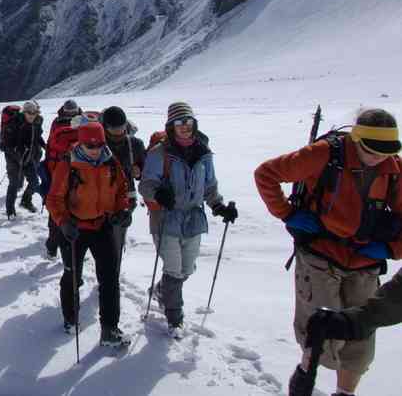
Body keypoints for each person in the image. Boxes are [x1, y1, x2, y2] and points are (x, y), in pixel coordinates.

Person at [256, 108, 402, 396]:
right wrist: (286, 213)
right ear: (356, 139)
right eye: (371, 150)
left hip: (365, 262)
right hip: (320, 254)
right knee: (321, 331)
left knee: (361, 337)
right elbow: (266, 174)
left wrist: (392, 248)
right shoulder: (324, 154)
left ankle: (345, 393)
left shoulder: (394, 170)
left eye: (386, 152)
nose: (379, 158)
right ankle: (305, 375)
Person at [139, 102, 237, 339]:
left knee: (187, 268)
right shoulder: (159, 153)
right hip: (166, 218)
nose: (184, 126)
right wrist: (158, 193)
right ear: (171, 126)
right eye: (179, 122)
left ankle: (162, 291)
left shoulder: (203, 152)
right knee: (174, 269)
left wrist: (219, 206)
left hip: (193, 218)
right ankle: (175, 318)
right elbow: (145, 185)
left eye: (188, 121)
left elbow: (210, 185)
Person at [46, 121, 131, 346]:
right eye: (89, 145)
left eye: (98, 144)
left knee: (110, 278)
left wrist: (122, 209)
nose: (94, 149)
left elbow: (122, 189)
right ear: (80, 143)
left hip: (102, 225)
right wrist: (63, 222)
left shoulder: (110, 161)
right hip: (74, 228)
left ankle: (109, 329)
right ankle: (70, 318)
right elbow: (53, 199)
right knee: (72, 275)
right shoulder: (69, 164)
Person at [42, 100, 84, 257]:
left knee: (57, 210)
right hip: (77, 173)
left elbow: (50, 146)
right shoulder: (82, 122)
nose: (71, 114)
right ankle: (67, 246)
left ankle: (53, 246)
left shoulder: (57, 123)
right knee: (72, 209)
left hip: (58, 172)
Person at [102, 106, 145, 259]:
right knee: (103, 240)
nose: (119, 132)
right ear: (105, 127)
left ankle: (114, 268)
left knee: (116, 238)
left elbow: (145, 168)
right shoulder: (97, 143)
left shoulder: (135, 144)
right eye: (114, 129)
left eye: (121, 127)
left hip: (126, 200)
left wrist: (139, 170)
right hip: (100, 198)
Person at [3, 100, 46, 219]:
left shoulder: (36, 124)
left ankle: (25, 201)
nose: (32, 115)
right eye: (29, 113)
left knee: (34, 182)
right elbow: (6, 145)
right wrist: (16, 154)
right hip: (13, 159)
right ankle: (10, 211)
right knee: (14, 184)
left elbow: (38, 137)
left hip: (27, 157)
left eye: (34, 113)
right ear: (24, 112)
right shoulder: (14, 124)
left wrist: (45, 146)